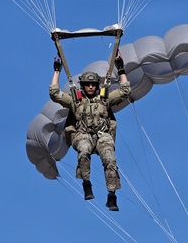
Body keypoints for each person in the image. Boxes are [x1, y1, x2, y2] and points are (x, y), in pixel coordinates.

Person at [49, 54, 130, 211]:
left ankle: (112, 195)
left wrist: (120, 68)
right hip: (83, 134)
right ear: (83, 86)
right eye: (87, 84)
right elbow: (54, 93)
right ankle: (86, 184)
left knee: (110, 160)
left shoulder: (104, 99)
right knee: (84, 151)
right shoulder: (76, 100)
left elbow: (125, 90)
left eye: (93, 84)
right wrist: (57, 71)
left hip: (102, 135)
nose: (91, 87)